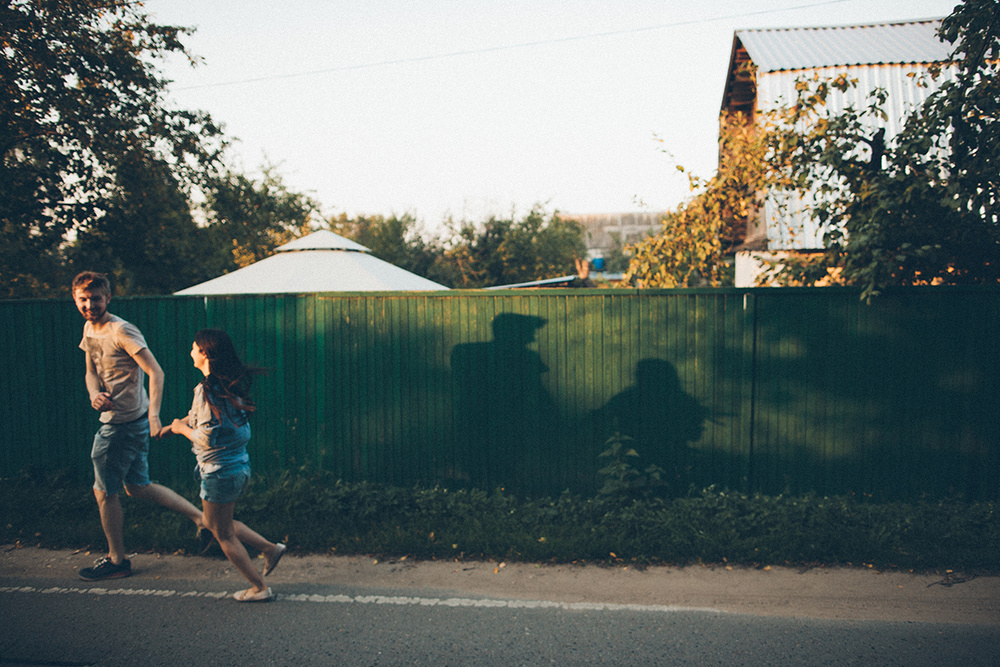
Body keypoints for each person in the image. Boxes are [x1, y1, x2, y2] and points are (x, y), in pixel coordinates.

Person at [72, 271, 209, 581]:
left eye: (96, 298)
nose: (90, 304)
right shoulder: (89, 330)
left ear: (107, 298)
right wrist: (95, 394)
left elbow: (156, 372)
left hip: (122, 424)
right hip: (120, 419)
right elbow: (91, 371)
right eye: (83, 299)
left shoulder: (121, 330)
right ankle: (202, 520)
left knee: (103, 492)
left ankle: (117, 559)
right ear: (75, 299)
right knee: (136, 486)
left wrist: (154, 417)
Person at [161, 328, 286, 602]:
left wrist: (181, 430)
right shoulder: (225, 387)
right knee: (216, 523)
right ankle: (270, 549)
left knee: (222, 534)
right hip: (238, 469)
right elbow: (199, 418)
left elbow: (204, 437)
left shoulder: (207, 392)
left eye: (194, 347)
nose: (190, 352)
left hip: (220, 474)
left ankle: (259, 587)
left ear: (204, 353)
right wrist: (171, 428)